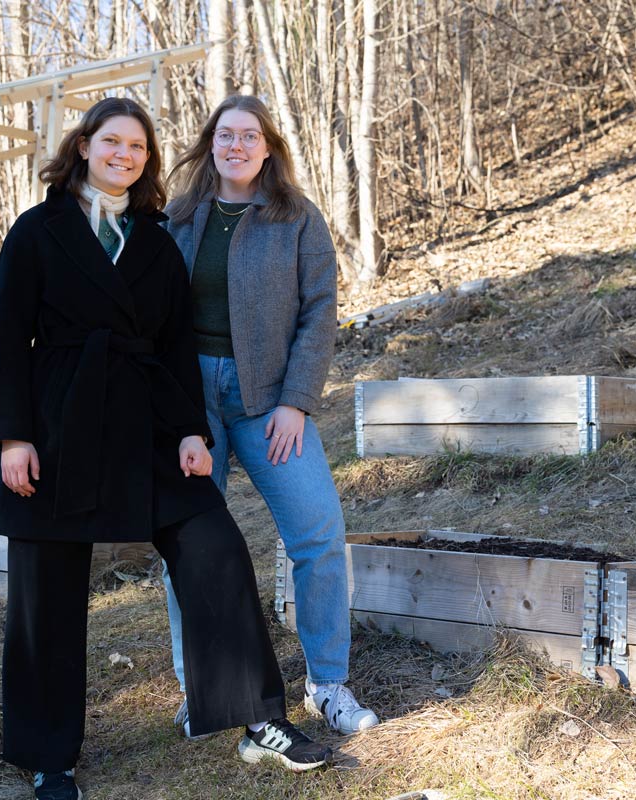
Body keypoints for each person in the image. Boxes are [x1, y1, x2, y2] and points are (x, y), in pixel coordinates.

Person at [0, 97, 331, 800]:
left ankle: (260, 720)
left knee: (215, 549)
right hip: (57, 428)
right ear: (83, 146)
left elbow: (173, 348)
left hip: (148, 426)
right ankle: (51, 758)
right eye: (113, 142)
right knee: (46, 592)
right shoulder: (37, 230)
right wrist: (12, 438)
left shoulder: (155, 239)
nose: (125, 156)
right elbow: (6, 339)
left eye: (138, 147)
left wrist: (191, 434)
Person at [162, 95, 379, 738]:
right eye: (225, 135)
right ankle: (199, 689)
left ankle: (328, 682)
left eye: (249, 135)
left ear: (268, 146)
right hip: (189, 401)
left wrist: (295, 402)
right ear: (210, 145)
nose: (236, 145)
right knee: (189, 546)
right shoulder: (176, 219)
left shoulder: (297, 218)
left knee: (317, 530)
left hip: (268, 402)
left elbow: (319, 314)